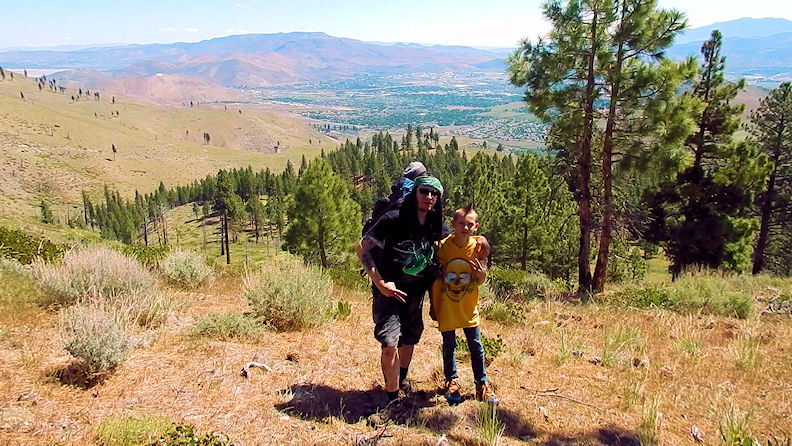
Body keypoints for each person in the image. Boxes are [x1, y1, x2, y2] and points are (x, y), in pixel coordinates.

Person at [356, 175, 445, 404]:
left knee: (410, 338)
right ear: (415, 192)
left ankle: (400, 381)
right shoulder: (393, 219)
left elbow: (455, 245)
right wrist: (380, 283)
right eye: (424, 191)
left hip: (416, 293)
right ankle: (392, 399)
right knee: (389, 344)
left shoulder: (436, 225)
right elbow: (362, 248)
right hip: (389, 293)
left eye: (434, 193)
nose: (429, 197)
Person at [430, 203, 497, 404]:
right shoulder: (442, 247)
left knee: (476, 347)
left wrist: (481, 275)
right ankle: (452, 382)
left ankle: (482, 384)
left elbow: (480, 279)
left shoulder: (477, 248)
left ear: (476, 227)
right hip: (447, 306)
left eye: (469, 224)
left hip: (468, 307)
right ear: (453, 224)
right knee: (449, 345)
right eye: (461, 223)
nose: (465, 228)